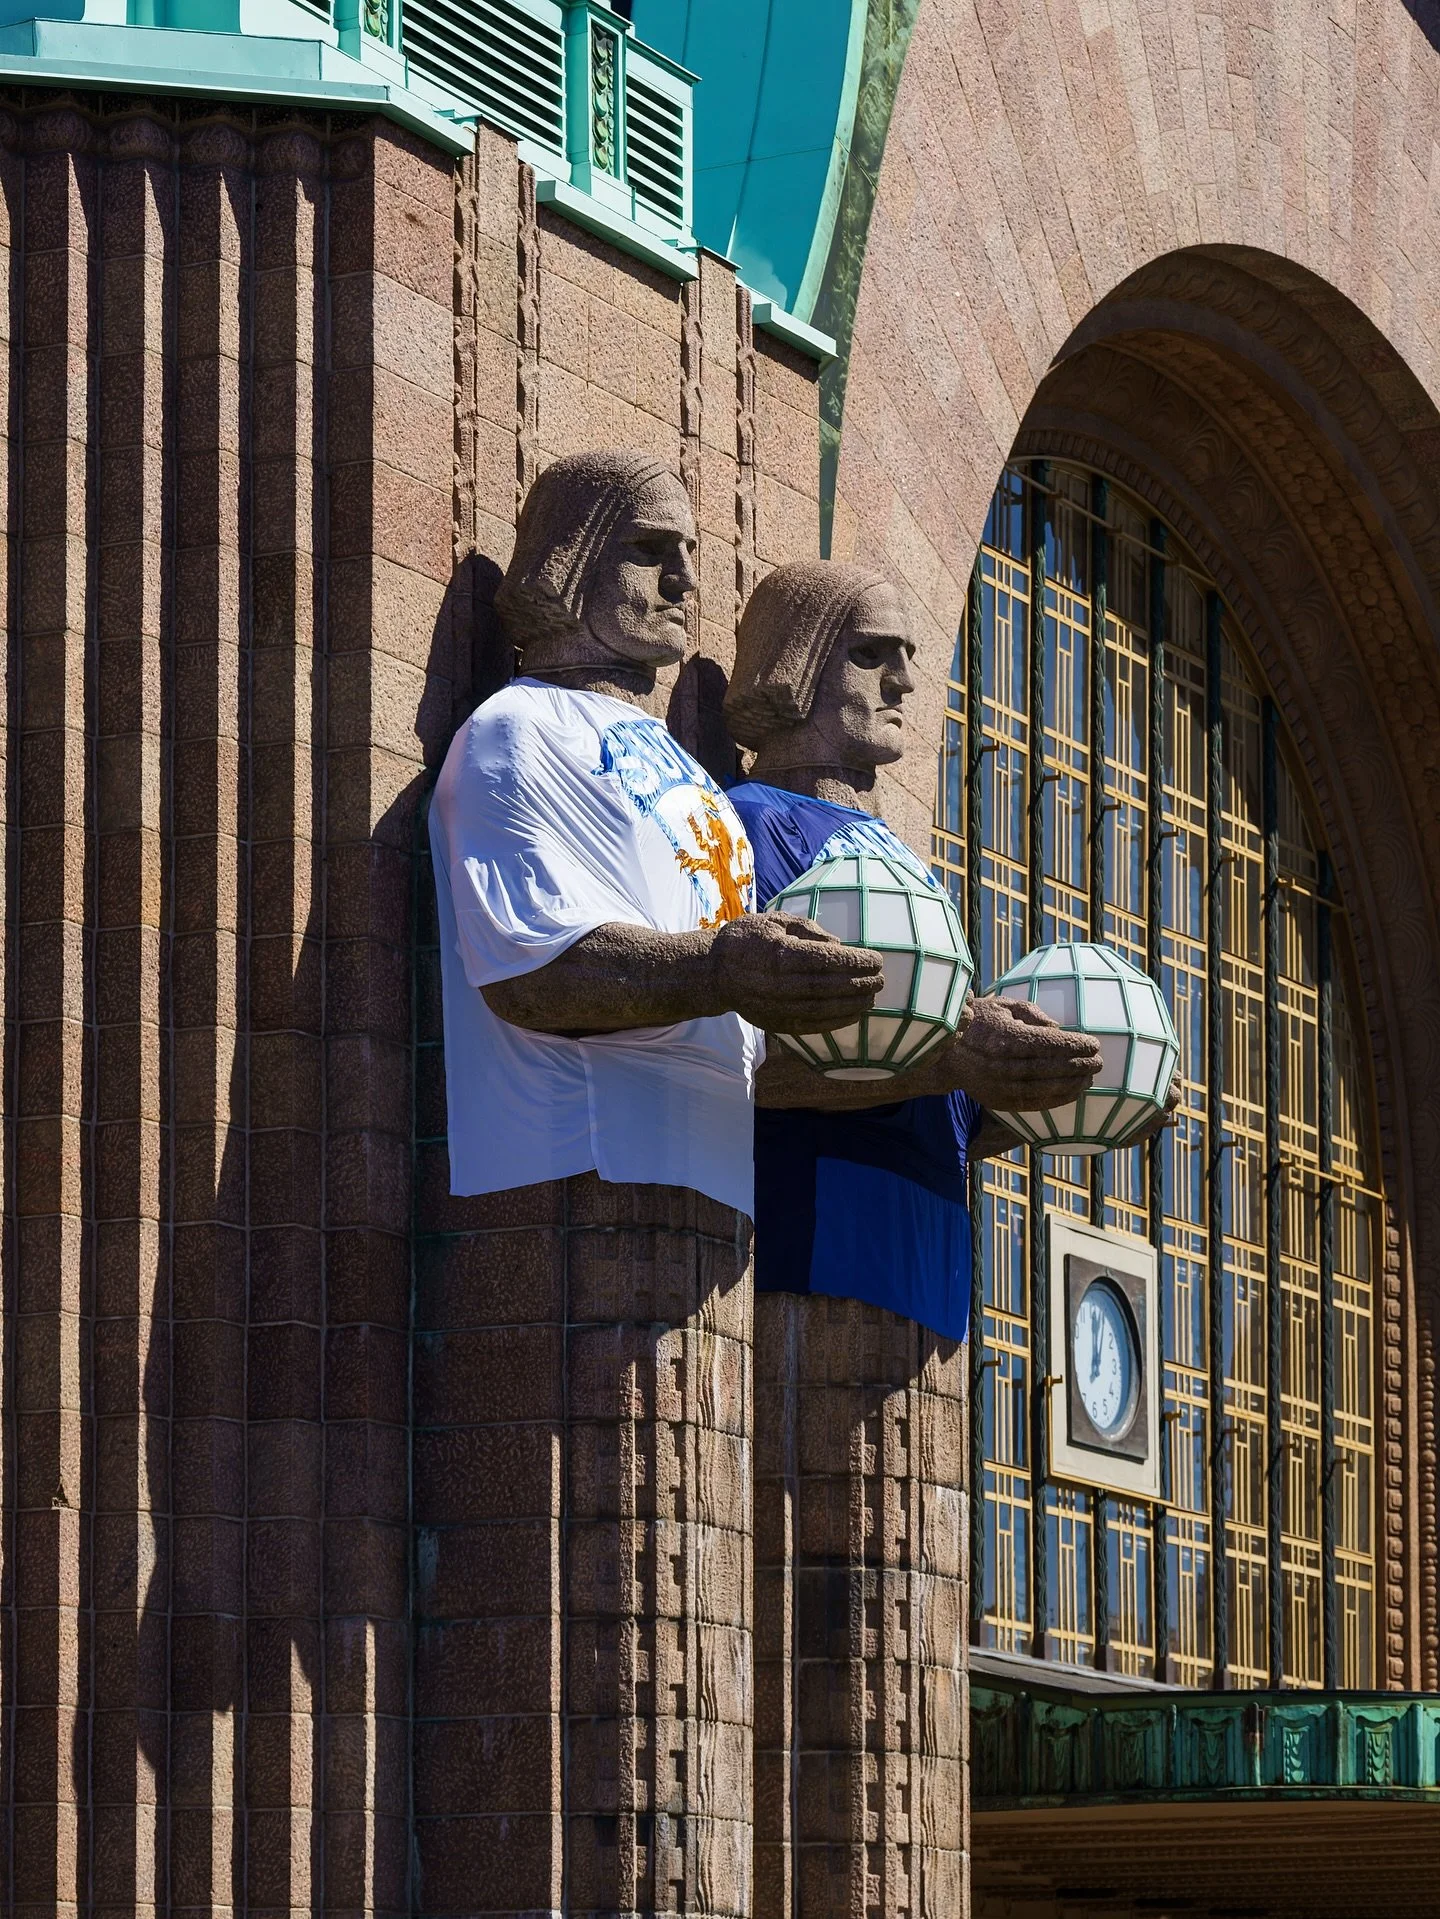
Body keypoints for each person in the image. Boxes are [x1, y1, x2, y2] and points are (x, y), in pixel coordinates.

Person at [428, 452, 882, 1213]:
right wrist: (721, 966)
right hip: (577, 1169)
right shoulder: (518, 728)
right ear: (572, 557)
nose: (684, 580)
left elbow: (749, 1040)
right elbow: (528, 968)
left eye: (689, 554)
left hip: (719, 1188)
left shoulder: (696, 775)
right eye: (649, 549)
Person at [724, 557, 1106, 1335]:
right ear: (796, 658)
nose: (901, 680)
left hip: (931, 1253)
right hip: (826, 1227)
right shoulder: (758, 821)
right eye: (870, 653)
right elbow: (748, 1058)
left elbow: (935, 1090)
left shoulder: (908, 865)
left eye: (907, 656)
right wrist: (956, 1057)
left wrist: (1069, 1092)